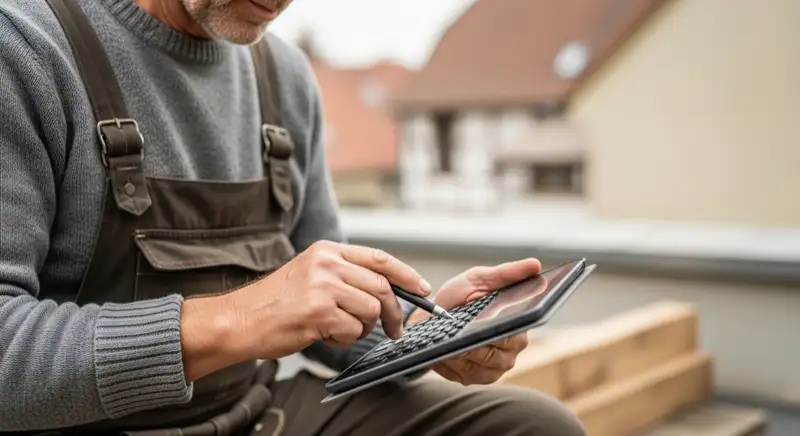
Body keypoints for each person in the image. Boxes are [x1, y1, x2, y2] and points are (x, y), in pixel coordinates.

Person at [0, 0, 585, 435]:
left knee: (532, 425)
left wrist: (428, 333)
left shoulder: (283, 76)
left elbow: (329, 304)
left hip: (257, 416)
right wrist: (240, 318)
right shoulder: (26, 47)